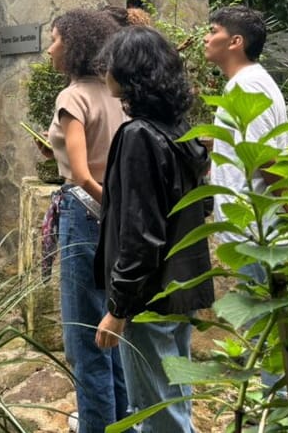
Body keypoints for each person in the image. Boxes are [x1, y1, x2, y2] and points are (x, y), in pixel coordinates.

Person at [94, 26, 214, 433]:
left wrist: (118, 309)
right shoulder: (179, 129)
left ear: (130, 73)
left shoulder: (138, 135)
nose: (104, 71)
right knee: (174, 400)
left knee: (158, 412)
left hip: (149, 297)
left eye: (111, 64)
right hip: (180, 288)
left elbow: (140, 233)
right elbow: (202, 204)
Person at [41, 8, 129, 433]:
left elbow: (81, 173)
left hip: (84, 214)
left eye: (56, 39)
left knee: (84, 336)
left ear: (74, 46)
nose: (50, 48)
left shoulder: (71, 97)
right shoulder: (116, 93)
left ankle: (96, 426)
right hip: (115, 219)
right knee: (113, 331)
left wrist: (106, 204)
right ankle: (124, 423)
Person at [202, 5, 288, 279]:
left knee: (261, 303)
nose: (206, 38)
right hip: (254, 227)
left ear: (235, 42)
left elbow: (263, 156)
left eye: (213, 31)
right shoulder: (252, 80)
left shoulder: (246, 86)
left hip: (257, 231)